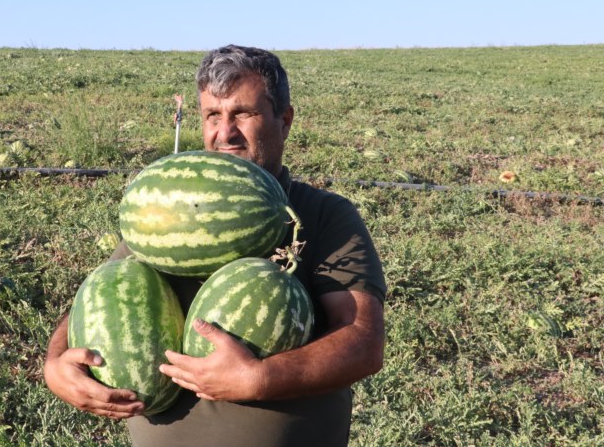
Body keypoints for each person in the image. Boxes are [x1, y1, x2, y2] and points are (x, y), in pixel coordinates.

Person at [44, 45, 387, 447]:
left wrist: (260, 378)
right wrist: (55, 363)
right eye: (213, 115)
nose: (225, 133)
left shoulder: (324, 215)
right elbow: (106, 286)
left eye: (244, 113)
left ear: (285, 120)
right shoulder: (170, 208)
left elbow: (363, 341)